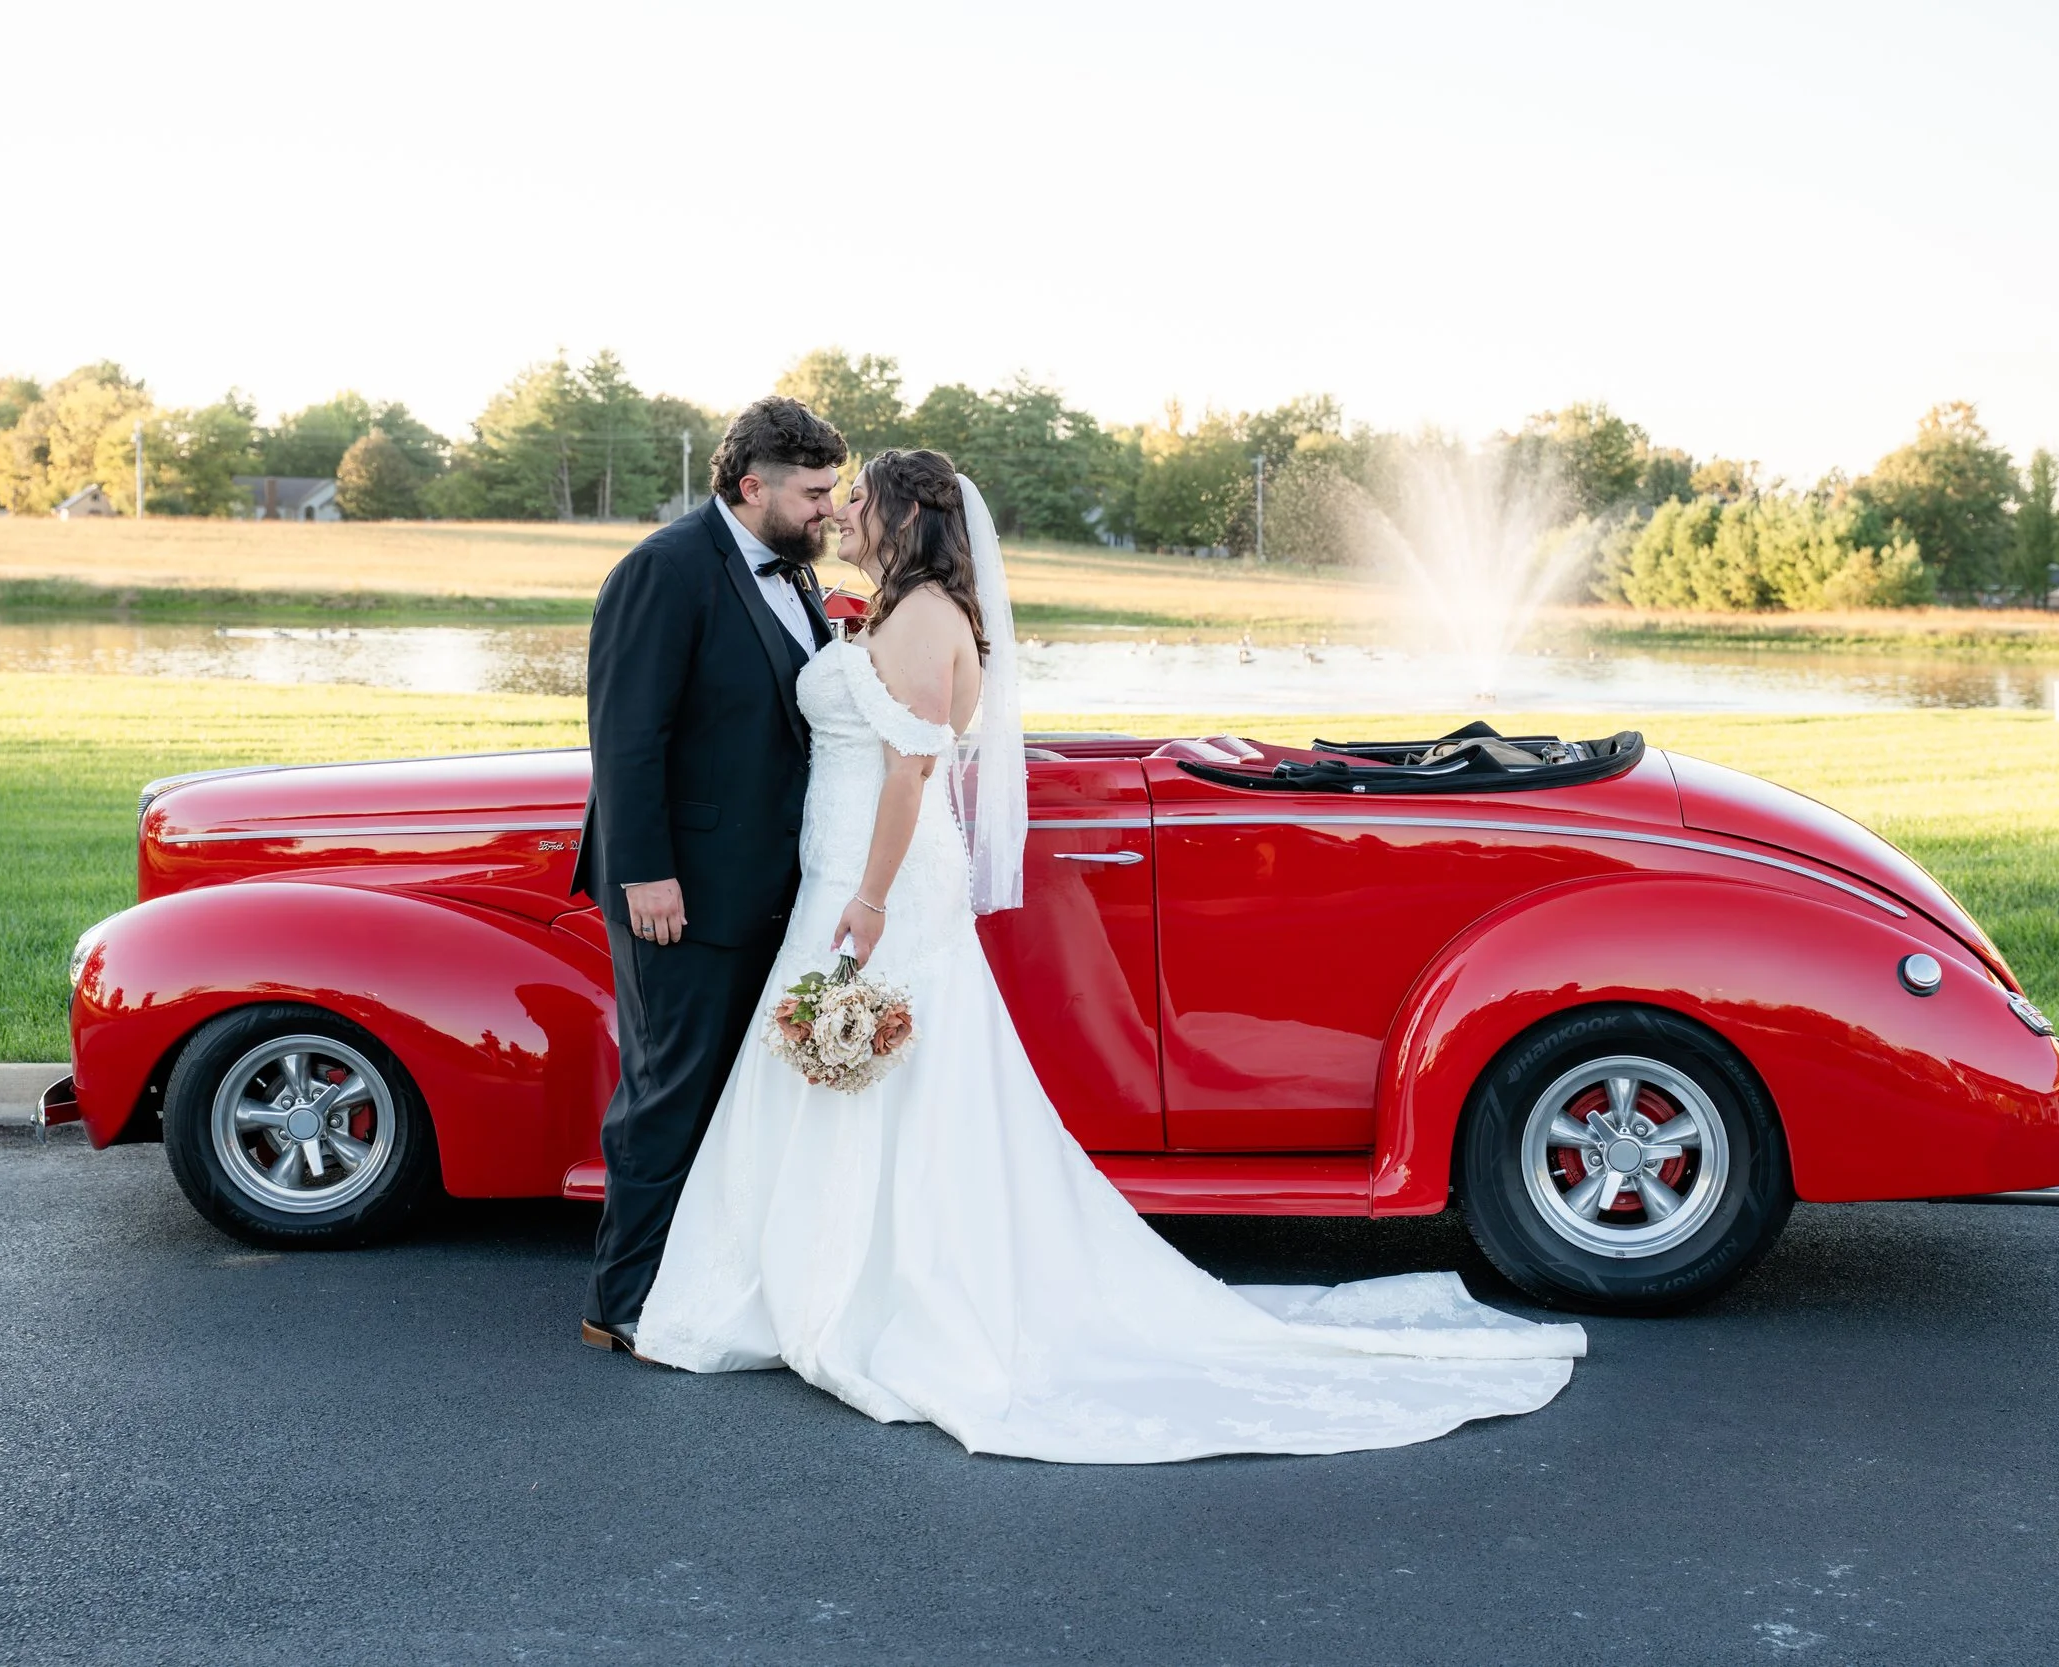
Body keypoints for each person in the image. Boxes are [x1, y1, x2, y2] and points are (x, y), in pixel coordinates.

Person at [623, 447, 1587, 1463]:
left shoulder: (915, 621)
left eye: (858, 499)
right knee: (864, 1079)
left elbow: (910, 771)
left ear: (904, 515)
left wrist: (866, 900)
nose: (841, 513)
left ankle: (861, 1295)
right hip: (846, 860)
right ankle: (815, 1280)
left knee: (881, 1075)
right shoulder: (899, 608)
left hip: (878, 877)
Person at [574, 396, 847, 1357]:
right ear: (752, 485)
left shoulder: (796, 578)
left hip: (769, 887)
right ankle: (624, 1302)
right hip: (679, 891)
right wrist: (647, 873)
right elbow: (627, 733)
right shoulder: (665, 569)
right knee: (669, 1093)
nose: (828, 510)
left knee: (735, 1099)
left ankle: (704, 1282)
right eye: (814, 493)